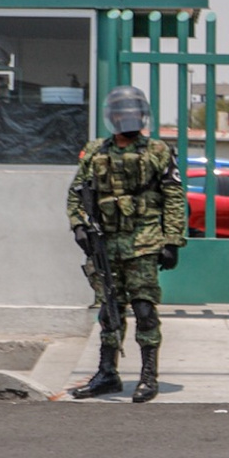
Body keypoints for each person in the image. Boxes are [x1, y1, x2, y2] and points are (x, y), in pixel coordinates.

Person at [65, 84, 185, 403]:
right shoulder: (95, 151)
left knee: (144, 309)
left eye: (132, 112)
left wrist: (172, 241)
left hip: (144, 241)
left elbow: (174, 197)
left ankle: (148, 376)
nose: (127, 117)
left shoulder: (158, 151)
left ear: (142, 115)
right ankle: (107, 374)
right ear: (112, 116)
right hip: (106, 243)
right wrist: (78, 225)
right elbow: (76, 192)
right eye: (122, 112)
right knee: (109, 311)